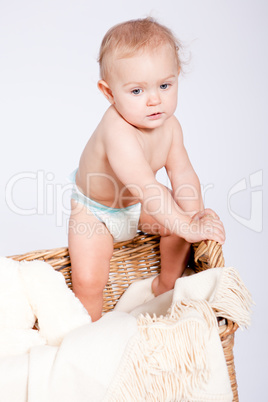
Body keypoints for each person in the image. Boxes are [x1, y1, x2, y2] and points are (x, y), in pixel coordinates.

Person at [68, 18, 225, 321]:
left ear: (177, 77)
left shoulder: (171, 128)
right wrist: (186, 224)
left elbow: (183, 175)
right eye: (137, 91)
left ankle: (166, 284)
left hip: (137, 206)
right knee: (88, 281)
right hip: (95, 211)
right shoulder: (117, 130)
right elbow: (146, 185)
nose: (154, 100)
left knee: (178, 218)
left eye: (165, 86)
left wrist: (195, 219)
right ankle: (91, 334)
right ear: (109, 92)